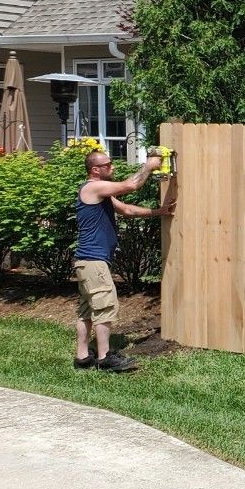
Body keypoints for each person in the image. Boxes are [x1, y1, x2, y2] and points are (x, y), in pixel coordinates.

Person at [73, 150, 172, 373]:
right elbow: (131, 185)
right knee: (105, 306)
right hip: (93, 261)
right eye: (108, 165)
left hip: (87, 262)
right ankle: (104, 357)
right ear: (95, 170)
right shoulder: (93, 187)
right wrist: (149, 166)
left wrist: (160, 211)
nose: (113, 167)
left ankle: (82, 357)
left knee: (87, 310)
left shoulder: (101, 193)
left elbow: (127, 210)